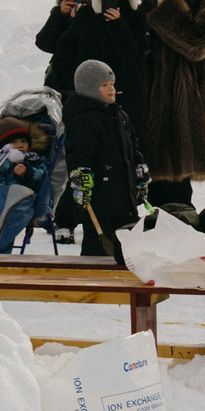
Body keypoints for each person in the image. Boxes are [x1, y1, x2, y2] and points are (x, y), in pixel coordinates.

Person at [136, 0, 205, 221]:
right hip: (152, 96)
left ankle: (183, 223)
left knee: (180, 173)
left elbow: (196, 47)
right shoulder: (143, 8)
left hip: (189, 96)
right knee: (155, 170)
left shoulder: (204, 7)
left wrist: (167, 12)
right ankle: (157, 227)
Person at [59, 59, 146, 262]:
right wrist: (81, 178)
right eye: (104, 85)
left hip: (124, 198)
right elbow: (78, 154)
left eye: (112, 84)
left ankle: (127, 287)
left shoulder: (120, 115)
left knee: (128, 247)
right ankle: (91, 285)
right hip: (99, 201)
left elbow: (133, 147)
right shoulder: (84, 119)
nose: (111, 89)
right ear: (89, 88)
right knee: (97, 248)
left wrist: (139, 168)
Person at [59, 0, 153, 138]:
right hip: (88, 95)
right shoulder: (87, 15)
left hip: (127, 95)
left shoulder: (136, 16)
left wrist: (118, 26)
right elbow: (66, 51)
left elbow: (136, 55)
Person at [32, 0, 104, 100]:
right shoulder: (62, 12)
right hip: (61, 83)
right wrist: (60, 16)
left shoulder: (103, 13)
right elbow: (44, 43)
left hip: (93, 83)